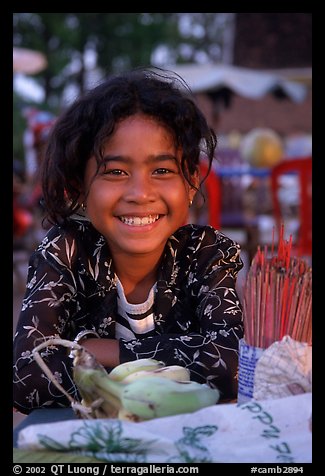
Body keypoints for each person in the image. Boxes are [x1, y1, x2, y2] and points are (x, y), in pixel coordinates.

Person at [13, 68, 244, 415]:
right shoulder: (65, 252)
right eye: (116, 171)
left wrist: (104, 352)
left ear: (192, 183)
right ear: (79, 185)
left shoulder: (207, 253)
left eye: (162, 171)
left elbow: (234, 362)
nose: (140, 194)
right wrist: (179, 358)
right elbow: (27, 375)